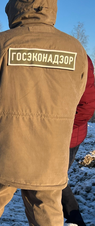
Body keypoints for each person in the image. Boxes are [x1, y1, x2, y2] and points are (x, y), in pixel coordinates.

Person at [0, 0, 88, 225]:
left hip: (2, 153)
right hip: (50, 158)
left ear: (17, 4)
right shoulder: (77, 50)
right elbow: (77, 99)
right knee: (48, 216)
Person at [63, 55, 95, 226]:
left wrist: (62, 126)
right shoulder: (80, 55)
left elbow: (87, 104)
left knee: (55, 180)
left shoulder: (80, 57)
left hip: (69, 135)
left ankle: (74, 219)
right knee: (54, 179)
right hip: (63, 132)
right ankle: (74, 219)